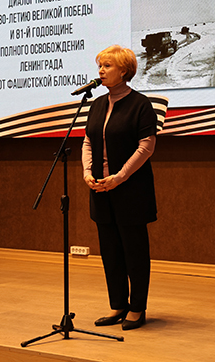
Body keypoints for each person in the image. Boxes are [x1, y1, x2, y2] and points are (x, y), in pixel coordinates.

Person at [82, 44, 158, 331]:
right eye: (99, 65)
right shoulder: (97, 104)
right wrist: (87, 172)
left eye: (107, 66)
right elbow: (88, 141)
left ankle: (137, 308)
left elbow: (146, 146)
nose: (101, 71)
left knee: (134, 252)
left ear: (124, 71)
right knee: (110, 251)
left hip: (130, 190)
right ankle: (118, 305)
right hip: (101, 190)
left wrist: (120, 177)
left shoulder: (140, 104)